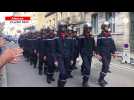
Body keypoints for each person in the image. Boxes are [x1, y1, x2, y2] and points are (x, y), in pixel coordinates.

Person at [96, 21, 117, 87]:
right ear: (103, 27)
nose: (107, 28)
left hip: (108, 53)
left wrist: (113, 52)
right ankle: (100, 79)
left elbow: (112, 44)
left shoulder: (109, 35)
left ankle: (101, 78)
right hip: (102, 54)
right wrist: (98, 54)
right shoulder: (100, 36)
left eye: (108, 26)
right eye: (106, 26)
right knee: (106, 66)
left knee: (105, 67)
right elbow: (98, 46)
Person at [56, 21, 74, 87]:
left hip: (67, 58)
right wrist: (55, 60)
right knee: (62, 72)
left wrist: (72, 58)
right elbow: (54, 50)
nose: (63, 29)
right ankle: (61, 85)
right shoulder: (56, 38)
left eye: (64, 27)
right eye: (62, 27)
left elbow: (72, 49)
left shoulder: (69, 38)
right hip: (59, 57)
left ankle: (60, 82)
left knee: (65, 73)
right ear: (59, 28)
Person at [78, 22, 96, 87]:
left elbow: (93, 45)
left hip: (90, 54)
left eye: (90, 28)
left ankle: (83, 70)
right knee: (88, 68)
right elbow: (78, 46)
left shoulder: (91, 36)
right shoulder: (81, 37)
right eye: (87, 28)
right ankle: (85, 82)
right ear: (85, 29)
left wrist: (95, 52)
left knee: (87, 66)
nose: (89, 30)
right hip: (84, 54)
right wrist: (78, 55)